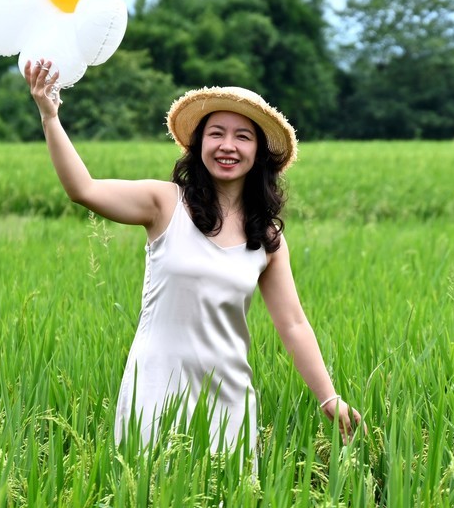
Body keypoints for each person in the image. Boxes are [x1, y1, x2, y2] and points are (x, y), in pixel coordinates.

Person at [23, 58, 362, 459]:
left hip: (229, 398)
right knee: (147, 507)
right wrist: (50, 116)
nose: (227, 146)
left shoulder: (266, 237)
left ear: (260, 152)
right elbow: (83, 189)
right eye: (216, 133)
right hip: (155, 388)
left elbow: (292, 323)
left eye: (243, 137)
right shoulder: (164, 203)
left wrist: (328, 398)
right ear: (199, 144)